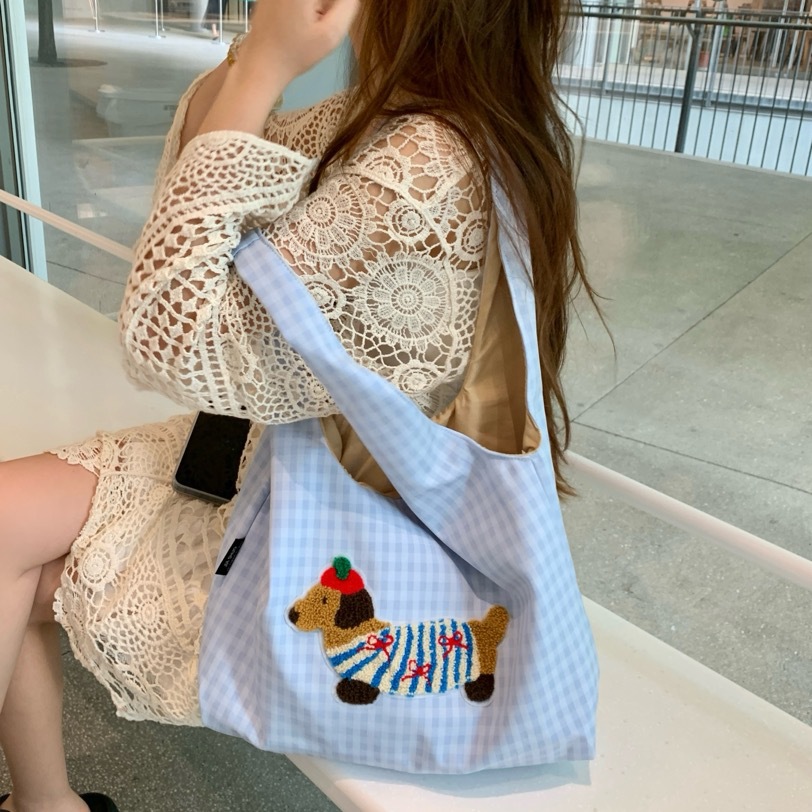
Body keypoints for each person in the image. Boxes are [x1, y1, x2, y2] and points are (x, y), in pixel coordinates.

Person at [0, 1, 598, 809]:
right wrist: (258, 55)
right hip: (291, 457)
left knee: (18, 562)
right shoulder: (420, 120)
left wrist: (267, 66)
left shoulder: (425, 167)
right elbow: (214, 165)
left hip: (334, 517)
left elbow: (167, 336)